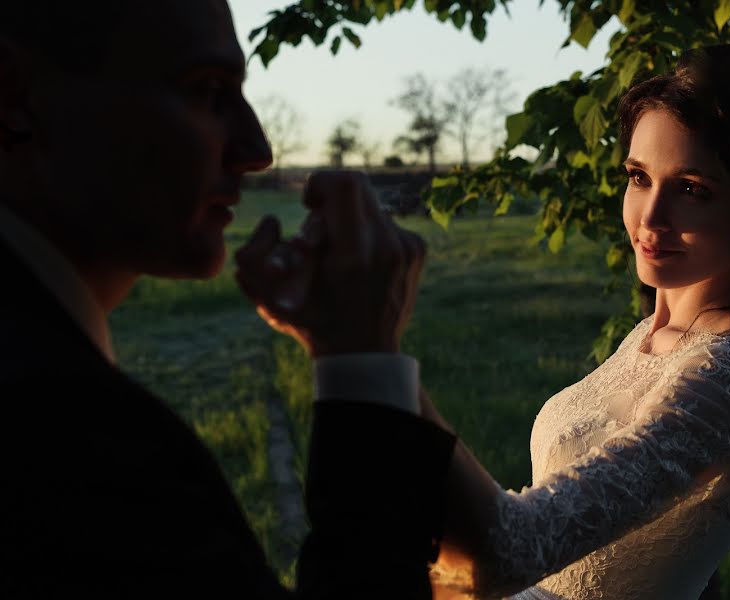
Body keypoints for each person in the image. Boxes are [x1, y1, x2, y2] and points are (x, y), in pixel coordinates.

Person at [244, 45, 730, 599]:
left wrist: (368, 349)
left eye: (692, 189)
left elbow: (507, 555)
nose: (650, 217)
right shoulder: (659, 333)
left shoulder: (728, 375)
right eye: (638, 178)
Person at [0, 1, 455, 598]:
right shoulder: (64, 436)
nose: (257, 148)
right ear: (15, 96)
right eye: (207, 90)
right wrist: (363, 360)